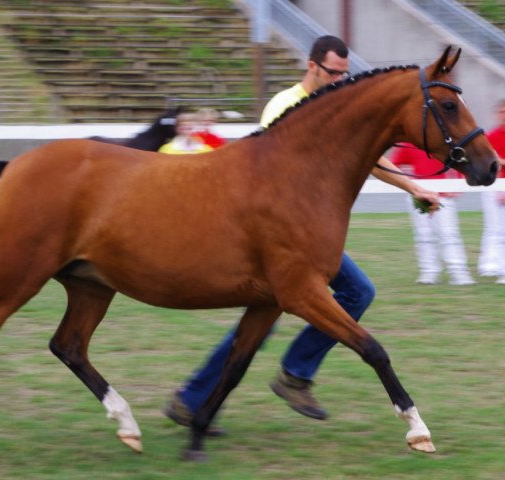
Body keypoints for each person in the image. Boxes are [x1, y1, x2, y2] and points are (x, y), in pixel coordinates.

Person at [163, 35, 441, 428]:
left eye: (346, 74)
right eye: (333, 73)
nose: (340, 80)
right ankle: (200, 398)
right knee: (267, 319)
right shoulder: (284, 105)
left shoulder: (337, 107)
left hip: (309, 237)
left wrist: (414, 186)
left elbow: (366, 157)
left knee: (357, 292)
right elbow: (265, 170)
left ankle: (291, 375)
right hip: (276, 237)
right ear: (312, 66)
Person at [391, 144, 476, 285]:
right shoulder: (407, 144)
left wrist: (457, 186)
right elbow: (394, 166)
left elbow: (460, 162)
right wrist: (410, 185)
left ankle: (458, 272)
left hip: (443, 195)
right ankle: (429, 272)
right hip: (419, 195)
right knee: (423, 235)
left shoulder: (443, 141)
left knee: (448, 235)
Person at [479, 98, 505, 284]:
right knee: (495, 228)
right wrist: (498, 187)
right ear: (498, 115)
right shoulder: (490, 137)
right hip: (496, 187)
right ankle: (490, 264)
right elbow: (489, 163)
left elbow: (498, 161)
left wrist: (502, 161)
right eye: (504, 112)